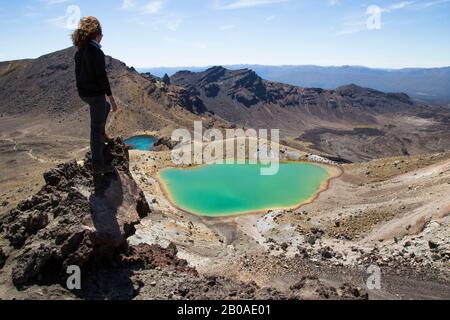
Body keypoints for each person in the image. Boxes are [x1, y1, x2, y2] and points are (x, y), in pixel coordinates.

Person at [72, 16, 118, 174]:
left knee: (102, 110)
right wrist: (111, 99)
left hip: (83, 93)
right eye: (102, 34)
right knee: (95, 129)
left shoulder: (80, 52)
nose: (102, 38)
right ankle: (98, 166)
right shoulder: (97, 52)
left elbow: (78, 74)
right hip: (95, 94)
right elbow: (102, 77)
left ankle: (102, 133)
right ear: (96, 34)